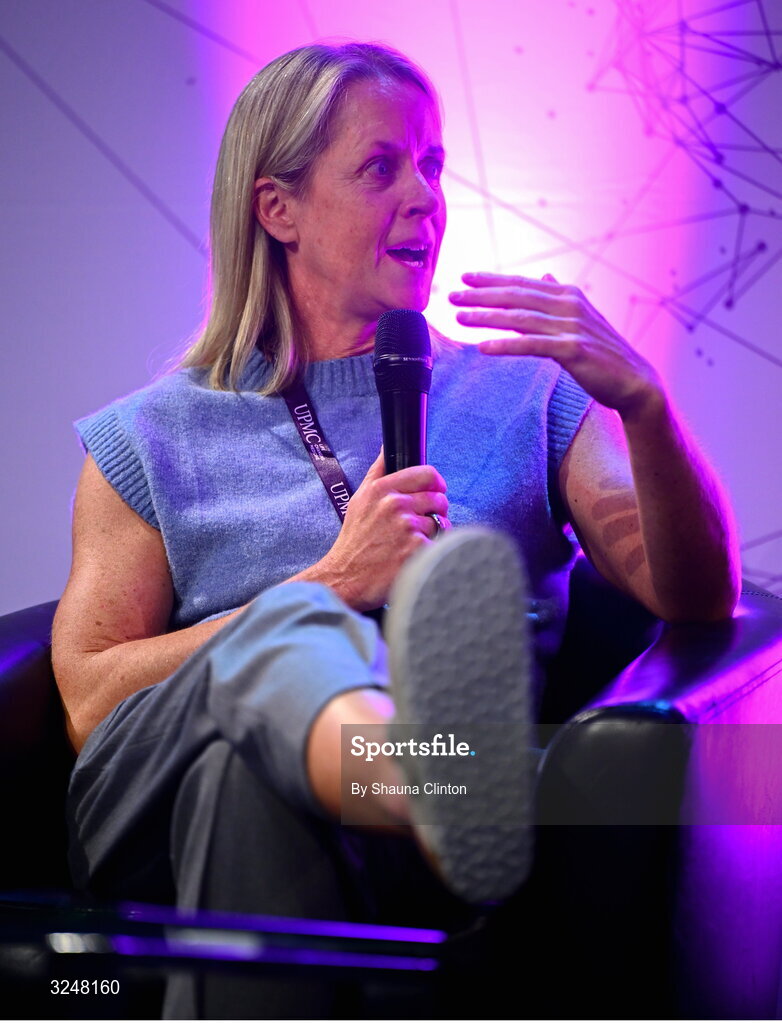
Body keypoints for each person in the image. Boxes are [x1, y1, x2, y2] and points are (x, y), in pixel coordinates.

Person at [51, 41, 739, 1017]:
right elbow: (89, 702)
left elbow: (694, 596)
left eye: (432, 165)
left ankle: (396, 779)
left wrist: (646, 408)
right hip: (147, 813)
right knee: (287, 628)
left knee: (242, 776)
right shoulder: (151, 434)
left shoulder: (524, 394)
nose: (424, 197)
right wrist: (330, 585)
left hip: (351, 849)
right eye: (380, 168)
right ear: (277, 208)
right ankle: (433, 780)